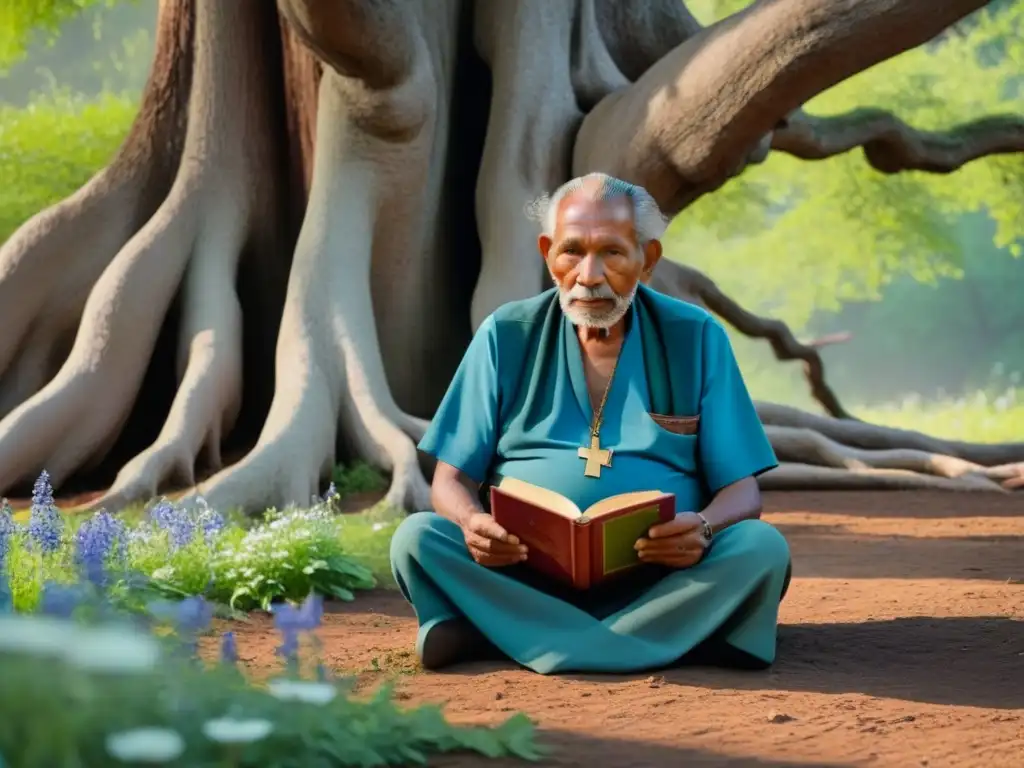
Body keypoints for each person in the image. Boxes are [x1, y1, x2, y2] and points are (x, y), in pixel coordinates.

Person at [390, 173, 791, 674]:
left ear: (647, 260)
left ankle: (502, 632)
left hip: (662, 578)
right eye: (572, 251)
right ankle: (673, 638)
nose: (589, 274)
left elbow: (743, 493)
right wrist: (473, 524)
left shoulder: (697, 337)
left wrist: (704, 528)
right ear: (547, 253)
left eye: (613, 253)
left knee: (760, 548)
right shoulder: (505, 334)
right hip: (520, 574)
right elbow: (449, 482)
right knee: (418, 538)